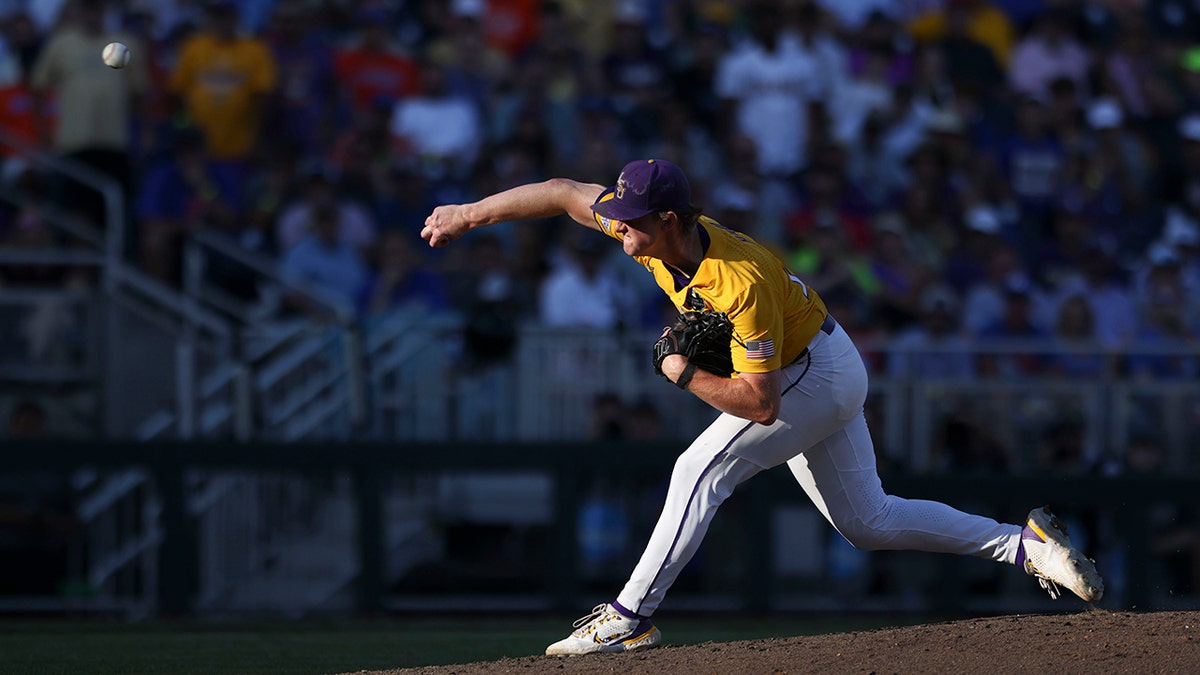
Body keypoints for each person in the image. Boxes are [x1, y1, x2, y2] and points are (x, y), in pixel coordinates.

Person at [420, 158, 1104, 656]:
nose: (617, 229)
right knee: (868, 520)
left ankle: (630, 614)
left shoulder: (738, 279)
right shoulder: (657, 235)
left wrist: (681, 371)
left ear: (668, 220)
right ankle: (1024, 547)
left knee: (698, 469)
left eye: (631, 221)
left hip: (812, 374)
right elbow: (561, 191)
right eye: (619, 217)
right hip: (825, 359)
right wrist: (467, 214)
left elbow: (762, 402)